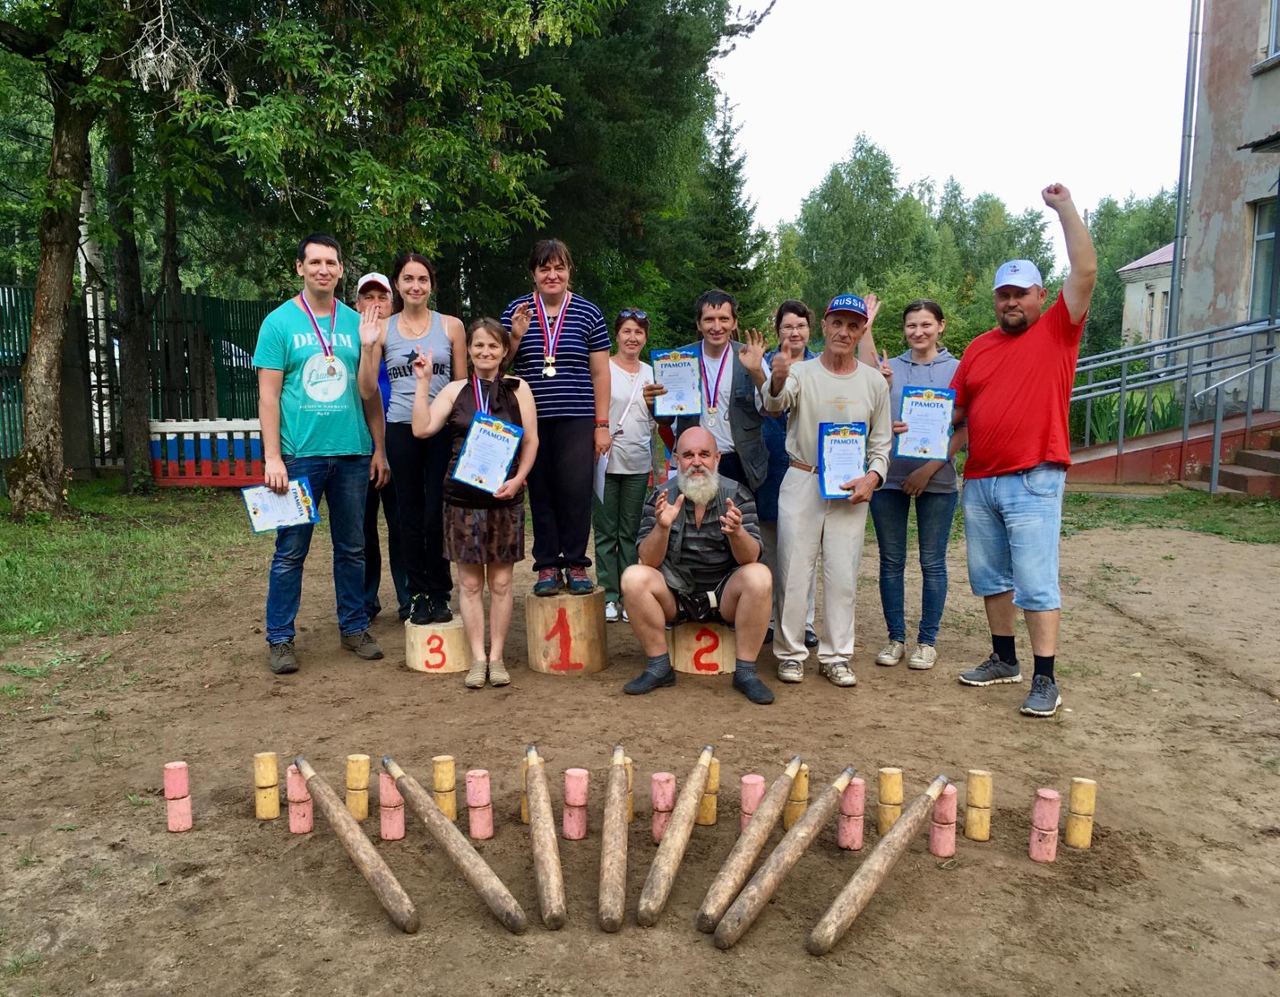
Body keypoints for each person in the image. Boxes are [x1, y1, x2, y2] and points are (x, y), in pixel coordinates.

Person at [931, 183, 1097, 718]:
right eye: (1003, 294)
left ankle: (1046, 678)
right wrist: (919, 428)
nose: (1010, 302)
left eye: (1020, 293)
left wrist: (1064, 208)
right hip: (980, 479)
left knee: (1036, 582)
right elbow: (953, 412)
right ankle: (1004, 659)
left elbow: (1086, 270)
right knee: (991, 578)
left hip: (1034, 476)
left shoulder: (1059, 330)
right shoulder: (979, 348)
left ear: (1040, 296)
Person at [253, 233, 388, 674]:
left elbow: (369, 393)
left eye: (331, 262)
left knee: (353, 547)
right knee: (291, 551)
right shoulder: (278, 323)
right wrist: (273, 457)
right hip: (299, 456)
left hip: (352, 452)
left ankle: (354, 627)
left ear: (341, 269)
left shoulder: (357, 322)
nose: (323, 270)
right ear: (300, 268)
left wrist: (379, 448)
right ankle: (280, 638)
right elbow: (269, 397)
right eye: (314, 262)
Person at [763, 293, 892, 687]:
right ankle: (790, 653)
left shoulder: (873, 381)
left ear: (861, 331)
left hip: (849, 487)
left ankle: (836, 655)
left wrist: (873, 477)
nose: (843, 332)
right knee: (792, 571)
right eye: (837, 323)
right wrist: (778, 376)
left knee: (842, 574)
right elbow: (776, 403)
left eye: (853, 325)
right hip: (803, 478)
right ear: (824, 326)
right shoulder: (802, 372)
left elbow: (881, 444)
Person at [410, 318, 539, 688]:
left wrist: (518, 479)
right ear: (468, 349)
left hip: (504, 499)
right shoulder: (455, 391)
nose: (485, 352)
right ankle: (477, 659)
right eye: (479, 345)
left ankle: (496, 657)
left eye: (493, 346)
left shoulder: (518, 388)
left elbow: (531, 441)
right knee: (469, 585)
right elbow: (421, 429)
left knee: (501, 582)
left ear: (504, 351)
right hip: (462, 500)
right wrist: (422, 383)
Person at [619, 427, 775, 705]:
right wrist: (662, 527)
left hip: (724, 596)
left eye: (704, 454)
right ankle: (659, 667)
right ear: (676, 459)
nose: (697, 462)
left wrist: (738, 532)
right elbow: (649, 561)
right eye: (688, 455)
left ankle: (746, 673)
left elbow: (750, 559)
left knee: (759, 576)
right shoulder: (661, 496)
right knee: (633, 577)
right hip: (675, 594)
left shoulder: (737, 495)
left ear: (717, 458)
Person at [358, 252, 466, 626]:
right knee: (409, 516)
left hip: (441, 430)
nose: (415, 286)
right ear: (398, 285)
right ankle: (416, 593)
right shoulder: (383, 329)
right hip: (401, 430)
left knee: (437, 513)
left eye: (422, 279)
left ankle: (440, 591)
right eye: (408, 279)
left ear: (431, 285)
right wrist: (368, 346)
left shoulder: (452, 326)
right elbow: (367, 389)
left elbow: (462, 388)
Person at [502, 240, 611, 596]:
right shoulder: (516, 310)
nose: (552, 275)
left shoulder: (588, 312)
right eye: (544, 268)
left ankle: (576, 563)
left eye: (559, 267)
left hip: (577, 416)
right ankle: (547, 564)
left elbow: (600, 373)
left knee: (576, 490)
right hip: (531, 418)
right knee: (542, 490)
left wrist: (601, 424)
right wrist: (515, 336)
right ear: (533, 273)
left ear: (569, 271)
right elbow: (498, 366)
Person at [870, 300, 964, 671]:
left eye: (926, 324)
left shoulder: (957, 369)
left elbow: (965, 426)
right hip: (889, 478)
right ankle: (895, 638)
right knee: (891, 560)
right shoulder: (888, 367)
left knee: (932, 562)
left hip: (937, 480)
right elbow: (873, 414)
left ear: (941, 326)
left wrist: (928, 469)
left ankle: (927, 641)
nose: (918, 332)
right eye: (911, 325)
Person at [593, 309, 664, 623]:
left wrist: (655, 406)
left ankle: (629, 593)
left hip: (638, 462)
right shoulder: (603, 368)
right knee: (606, 531)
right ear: (617, 335)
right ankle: (609, 595)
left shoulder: (652, 372)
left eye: (639, 332)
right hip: (604, 461)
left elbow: (662, 418)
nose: (632, 338)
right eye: (627, 331)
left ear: (645, 337)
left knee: (631, 531)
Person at [671, 290, 769, 493]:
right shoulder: (680, 360)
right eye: (709, 320)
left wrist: (757, 371)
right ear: (699, 324)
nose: (717, 327)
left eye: (724, 319)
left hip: (740, 461)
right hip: (696, 462)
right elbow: (667, 419)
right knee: (696, 514)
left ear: (734, 323)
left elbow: (770, 408)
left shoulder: (751, 357)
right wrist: (653, 404)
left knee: (740, 513)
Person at [355, 272, 411, 622]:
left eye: (382, 297)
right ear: (357, 303)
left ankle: (409, 598)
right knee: (361, 529)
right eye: (368, 297)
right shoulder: (349, 337)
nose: (375, 304)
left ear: (393, 303)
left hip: (399, 443)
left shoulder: (404, 335)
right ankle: (364, 600)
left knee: (402, 525)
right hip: (357, 445)